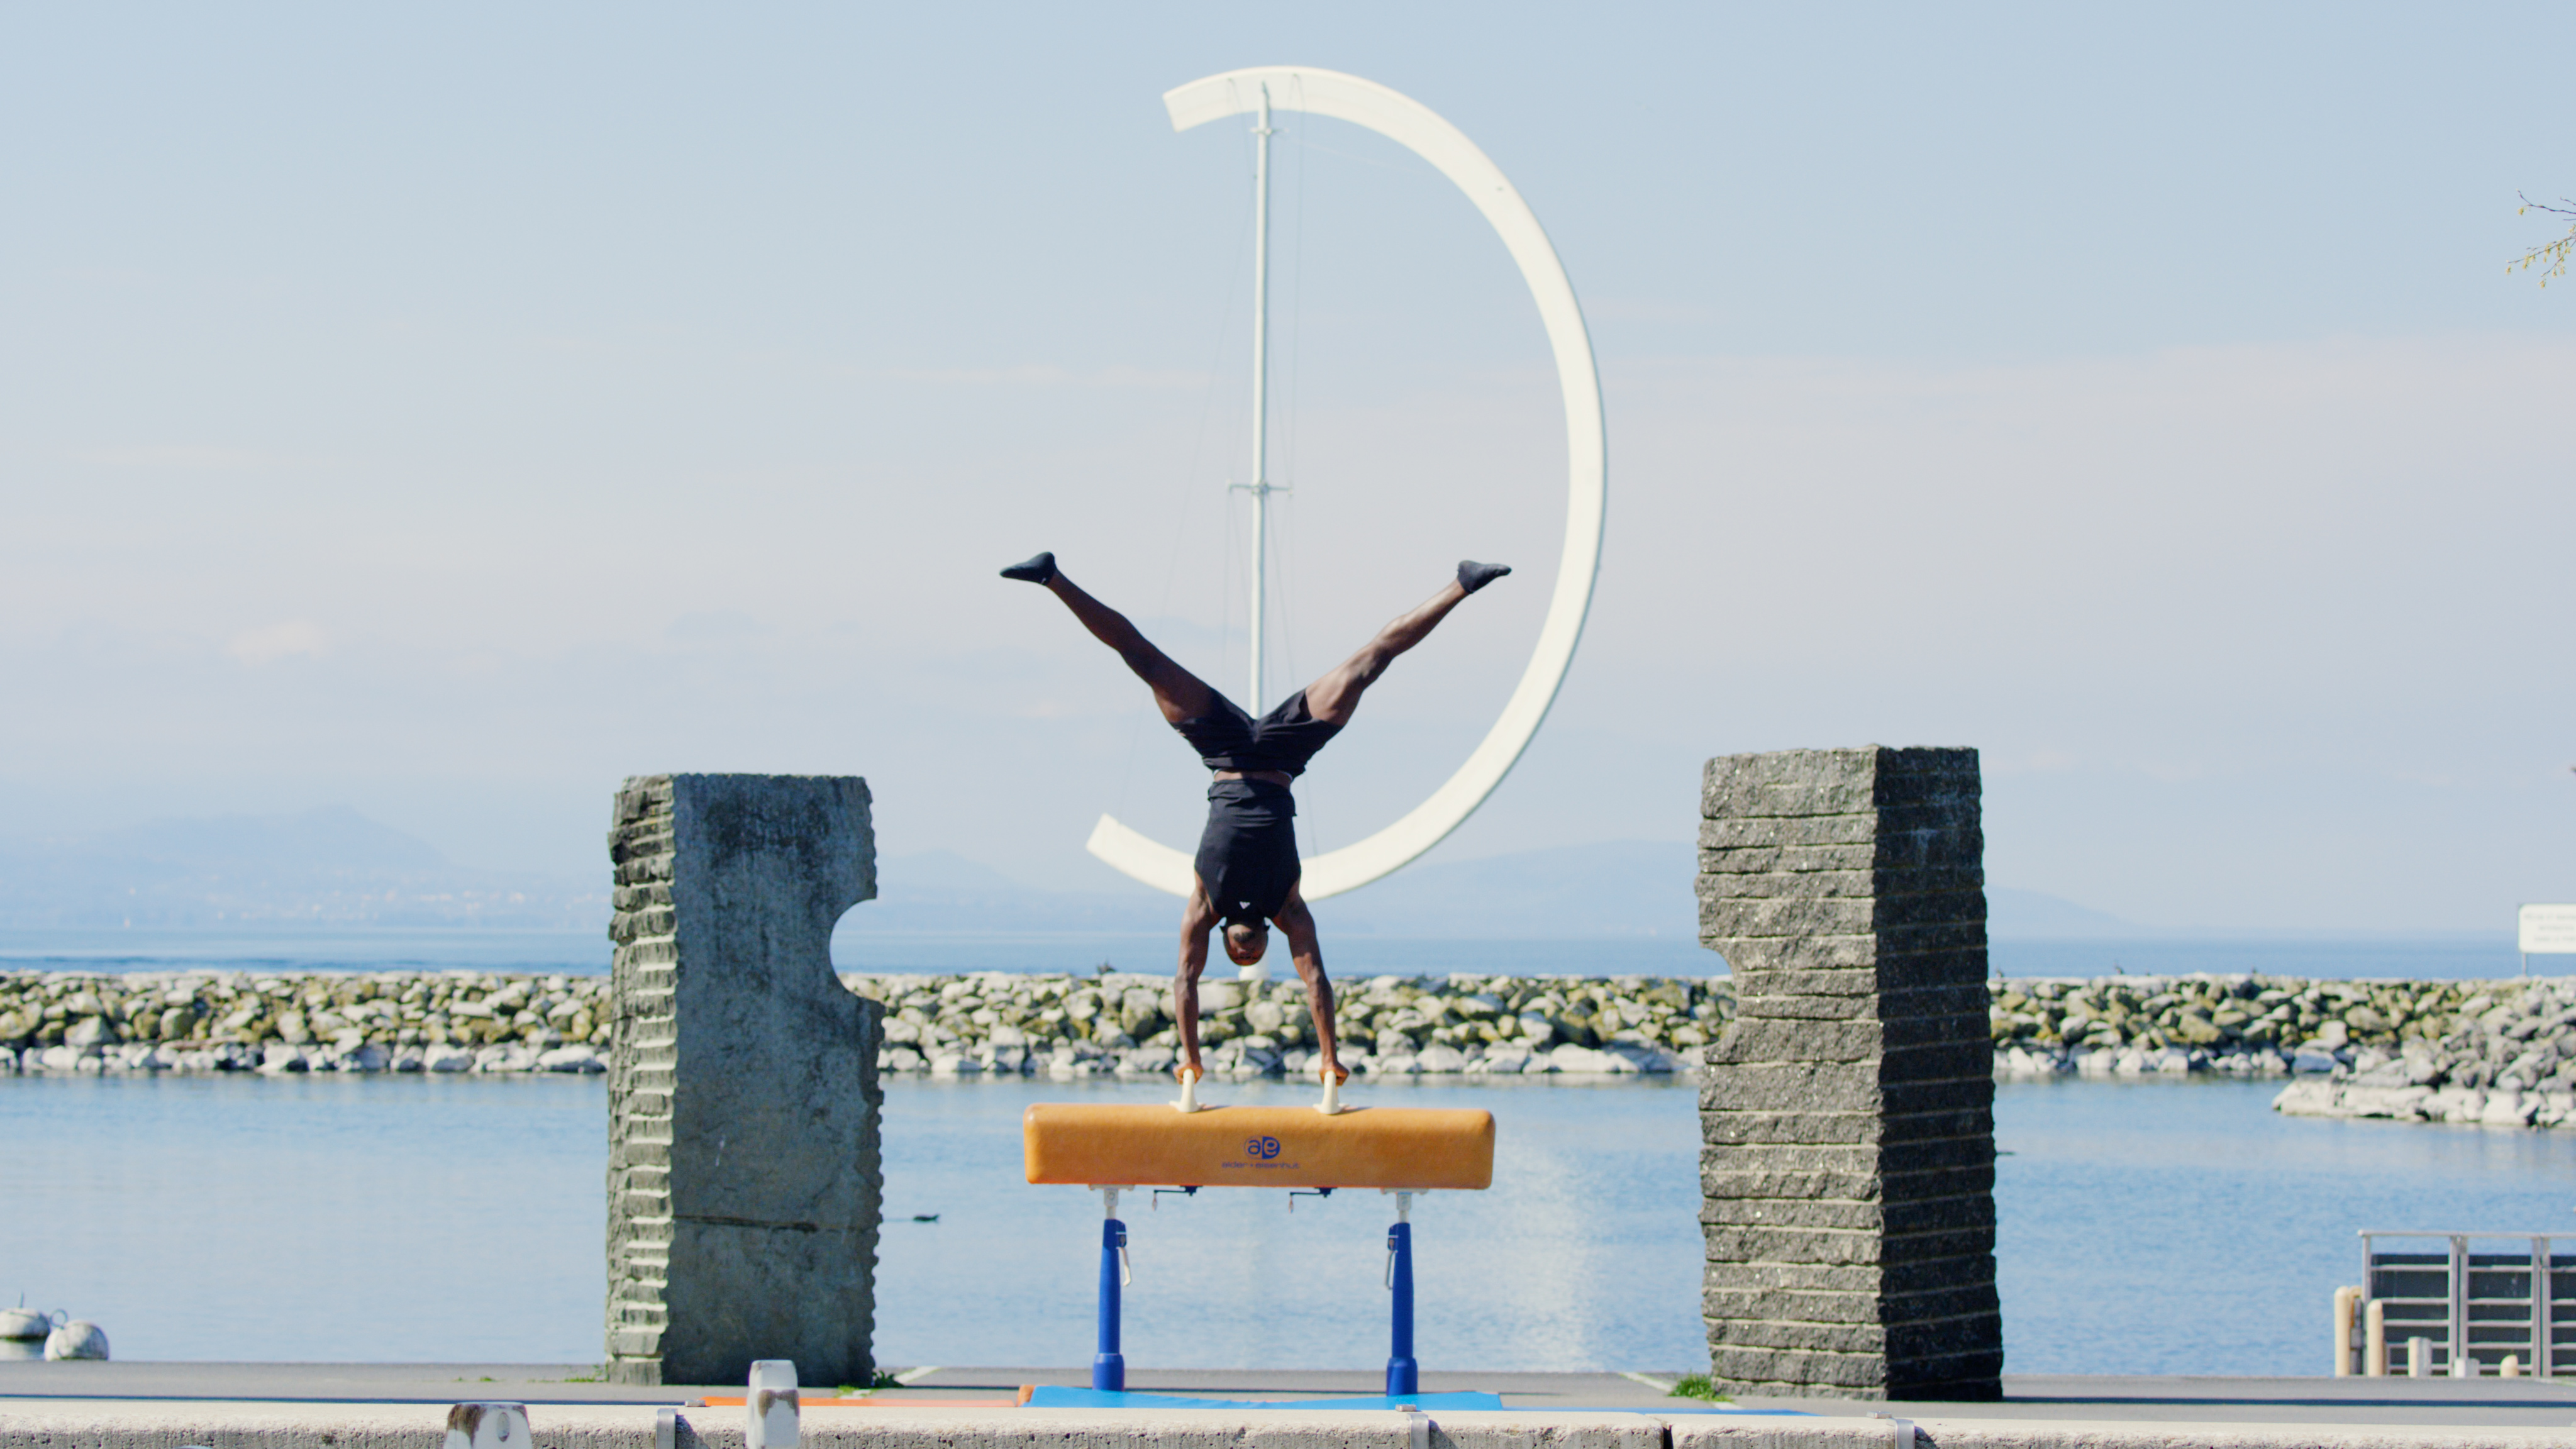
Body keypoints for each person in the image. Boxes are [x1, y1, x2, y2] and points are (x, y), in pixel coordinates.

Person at [1002, 550, 1510, 1087]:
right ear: (1268, 941)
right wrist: (1329, 1056)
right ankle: (1463, 584)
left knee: (1144, 659)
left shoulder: (1204, 906)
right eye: (1253, 956)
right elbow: (1315, 979)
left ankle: (1050, 576)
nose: (1245, 953)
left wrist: (1190, 1056)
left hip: (1221, 752)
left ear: (1224, 940)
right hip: (1283, 755)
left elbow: (1184, 981)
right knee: (1370, 663)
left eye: (1238, 956)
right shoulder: (1288, 908)